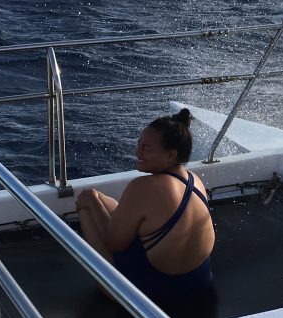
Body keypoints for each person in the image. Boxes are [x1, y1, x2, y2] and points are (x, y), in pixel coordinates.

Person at [75, 108, 215, 307]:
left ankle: (114, 292)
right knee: (103, 200)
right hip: (199, 285)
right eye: (139, 144)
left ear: (170, 155)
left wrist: (91, 201)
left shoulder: (142, 187)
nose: (138, 152)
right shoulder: (195, 181)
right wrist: (98, 200)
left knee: (89, 203)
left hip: (151, 297)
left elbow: (114, 244)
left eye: (146, 148)